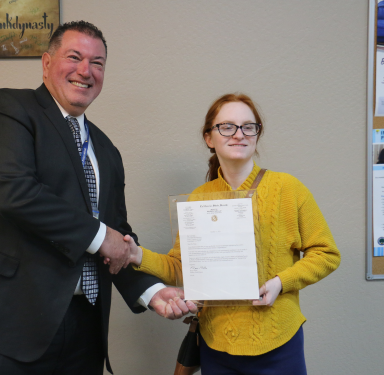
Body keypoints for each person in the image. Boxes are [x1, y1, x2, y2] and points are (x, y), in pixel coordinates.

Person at [0, 21, 196, 375]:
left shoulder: (105, 149)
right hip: (5, 320)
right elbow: (13, 191)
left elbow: (116, 233)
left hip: (83, 326)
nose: (85, 70)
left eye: (98, 63)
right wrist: (103, 236)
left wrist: (150, 291)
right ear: (46, 63)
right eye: (74, 57)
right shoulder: (8, 108)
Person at [127, 93, 341, 375]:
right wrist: (136, 254)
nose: (239, 134)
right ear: (209, 138)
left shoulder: (287, 189)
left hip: (279, 343)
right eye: (227, 126)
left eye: (248, 126)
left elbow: (327, 254)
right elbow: (181, 268)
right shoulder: (199, 198)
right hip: (216, 345)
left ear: (257, 134)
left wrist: (280, 282)